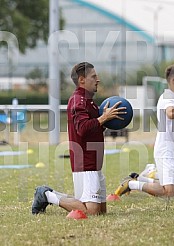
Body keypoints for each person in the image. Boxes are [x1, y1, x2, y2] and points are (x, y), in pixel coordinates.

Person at [31, 62, 126, 215]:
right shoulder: (78, 100)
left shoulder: (90, 102)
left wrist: (107, 120)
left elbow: (93, 128)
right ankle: (46, 195)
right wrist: (103, 118)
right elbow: (82, 128)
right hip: (85, 163)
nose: (98, 79)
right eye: (94, 76)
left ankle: (48, 194)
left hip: (94, 163)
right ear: (82, 80)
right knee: (92, 212)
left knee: (101, 212)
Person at [114, 64, 174, 197]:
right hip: (166, 151)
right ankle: (131, 184)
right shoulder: (167, 97)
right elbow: (171, 113)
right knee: (170, 193)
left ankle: (141, 178)